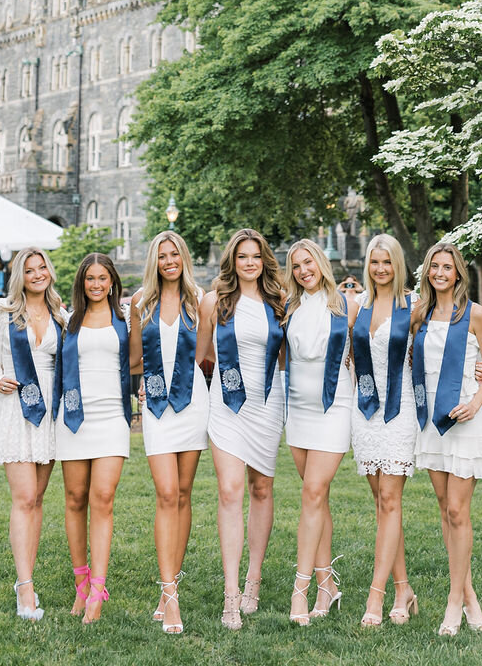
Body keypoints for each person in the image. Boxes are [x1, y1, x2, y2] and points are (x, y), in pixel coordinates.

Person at [197, 228, 286, 631]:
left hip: (267, 404)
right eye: (242, 257)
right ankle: (231, 593)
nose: (249, 263)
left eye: (255, 257)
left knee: (261, 489)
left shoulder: (279, 302)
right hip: (227, 405)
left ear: (264, 261)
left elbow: (293, 355)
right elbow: (201, 358)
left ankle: (254, 579)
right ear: (232, 261)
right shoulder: (214, 302)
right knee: (230, 491)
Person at [411, 241, 482, 638]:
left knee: (459, 512)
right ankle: (469, 597)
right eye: (434, 266)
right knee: (445, 509)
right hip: (431, 420)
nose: (440, 273)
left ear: (458, 272)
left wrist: (476, 400)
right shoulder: (420, 314)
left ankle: (453, 601)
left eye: (447, 267)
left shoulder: (475, 314)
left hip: (465, 417)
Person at [0, 247, 63, 621]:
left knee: (37, 498)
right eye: (30, 270)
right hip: (16, 410)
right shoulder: (3, 311)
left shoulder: (61, 313)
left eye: (42, 268)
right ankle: (24, 587)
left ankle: (28, 574)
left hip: (49, 414)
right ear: (19, 277)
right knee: (24, 497)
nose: (38, 274)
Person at [129, 230, 209, 636]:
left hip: (193, 402)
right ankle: (170, 593)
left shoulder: (201, 300)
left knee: (183, 494)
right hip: (158, 406)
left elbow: (207, 356)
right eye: (162, 255)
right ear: (154, 262)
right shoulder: (141, 303)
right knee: (165, 492)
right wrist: (141, 381)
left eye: (174, 253)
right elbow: (134, 359)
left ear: (184, 256)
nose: (169, 260)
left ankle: (168, 588)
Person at [54, 252, 132, 625]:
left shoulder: (127, 318)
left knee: (103, 498)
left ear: (113, 282)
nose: (97, 284)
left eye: (103, 278)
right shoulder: (69, 321)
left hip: (112, 417)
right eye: (90, 279)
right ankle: (81, 583)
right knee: (74, 499)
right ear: (82, 283)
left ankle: (98, 589)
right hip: (75, 419)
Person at [281, 239, 356, 625]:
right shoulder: (291, 307)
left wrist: (475, 366)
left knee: (312, 493)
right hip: (299, 411)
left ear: (320, 262)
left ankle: (301, 589)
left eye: (307, 262)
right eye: (295, 266)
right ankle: (327, 584)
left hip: (334, 407)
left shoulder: (347, 305)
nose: (302, 271)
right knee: (317, 497)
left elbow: (380, 346)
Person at [349, 233, 419, 628]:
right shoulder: (357, 307)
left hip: (400, 409)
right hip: (366, 413)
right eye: (374, 262)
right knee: (382, 504)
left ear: (398, 265)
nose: (380, 269)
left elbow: (439, 347)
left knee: (390, 500)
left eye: (387, 262)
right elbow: (345, 358)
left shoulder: (414, 306)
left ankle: (376, 599)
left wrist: (477, 368)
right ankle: (402, 589)